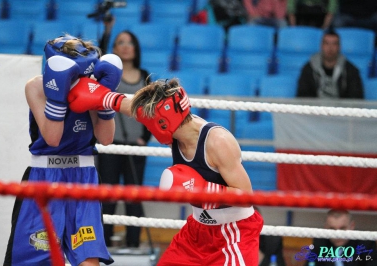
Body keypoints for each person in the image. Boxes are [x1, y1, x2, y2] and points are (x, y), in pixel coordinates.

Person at [66, 77, 264, 265]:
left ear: (163, 122)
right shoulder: (175, 128)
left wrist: (203, 189)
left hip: (234, 232)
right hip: (197, 230)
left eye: (151, 120)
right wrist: (103, 97)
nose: (146, 124)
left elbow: (246, 196)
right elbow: (134, 107)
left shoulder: (218, 142)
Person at [3, 34, 123, 266]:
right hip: (44, 177)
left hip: (83, 177)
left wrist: (103, 99)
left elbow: (106, 138)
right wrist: (58, 96)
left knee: (89, 259)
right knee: (35, 258)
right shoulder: (36, 87)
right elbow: (52, 138)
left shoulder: (91, 85)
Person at [96, 30, 152, 248]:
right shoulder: (109, 75)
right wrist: (106, 31)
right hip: (110, 145)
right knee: (108, 196)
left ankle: (133, 246)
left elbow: (151, 110)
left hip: (136, 148)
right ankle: (103, 245)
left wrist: (144, 139)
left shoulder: (145, 75)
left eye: (130, 42)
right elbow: (98, 61)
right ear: (114, 49)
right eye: (120, 42)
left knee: (133, 197)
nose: (126, 46)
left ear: (136, 48)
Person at [296, 29, 364, 99]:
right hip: (316, 109)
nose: (330, 48)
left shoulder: (351, 70)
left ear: (339, 47)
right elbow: (302, 97)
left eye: (334, 44)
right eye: (327, 43)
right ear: (321, 46)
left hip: (341, 109)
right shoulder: (308, 69)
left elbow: (356, 98)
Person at [304, 209, 377, 266]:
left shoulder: (366, 243)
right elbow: (310, 264)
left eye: (342, 228)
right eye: (332, 229)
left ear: (352, 226)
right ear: (325, 228)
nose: (337, 234)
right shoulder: (319, 242)